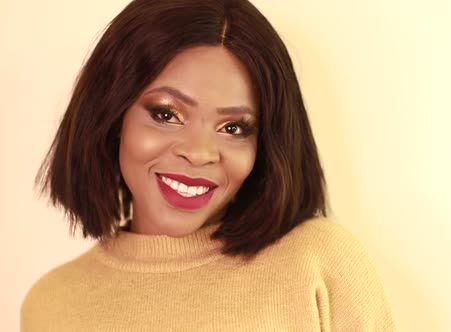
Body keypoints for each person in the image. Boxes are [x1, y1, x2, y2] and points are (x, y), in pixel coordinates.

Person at [20, 0, 396, 330]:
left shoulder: (319, 263)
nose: (200, 152)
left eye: (233, 127)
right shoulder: (51, 305)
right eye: (167, 114)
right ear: (113, 116)